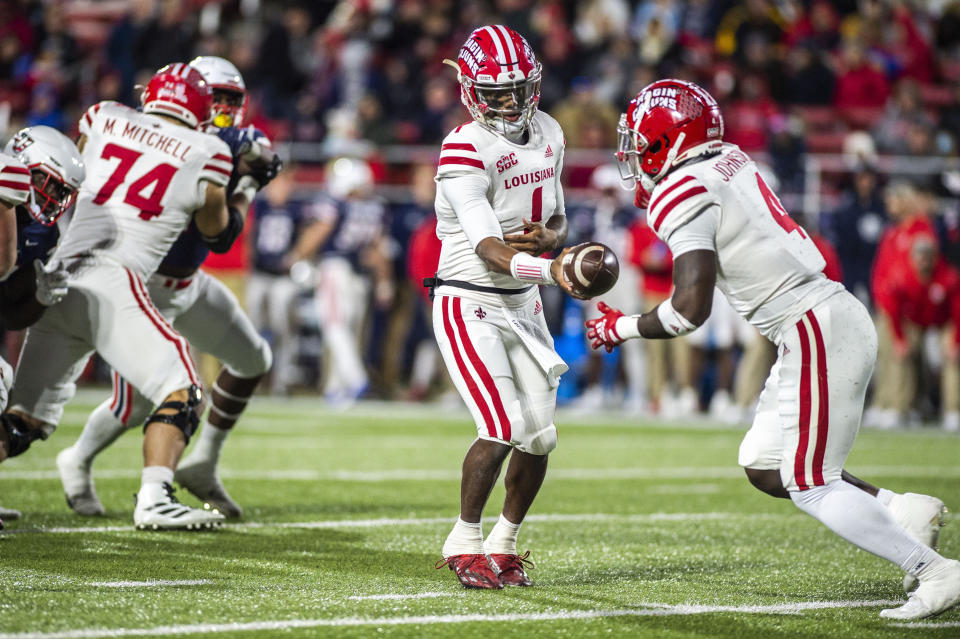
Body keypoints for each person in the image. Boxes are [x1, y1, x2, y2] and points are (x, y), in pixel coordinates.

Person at [587, 79, 960, 620]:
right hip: (819, 316)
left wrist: (621, 327)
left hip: (811, 323)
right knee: (764, 464)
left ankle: (937, 571)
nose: (635, 157)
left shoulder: (680, 190)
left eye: (640, 141)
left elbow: (690, 309)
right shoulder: (728, 158)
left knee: (811, 483)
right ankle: (902, 509)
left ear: (666, 140)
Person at [1, 63, 256, 530]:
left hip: (58, 276)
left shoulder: (102, 116)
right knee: (182, 388)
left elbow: (76, 178)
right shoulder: (210, 151)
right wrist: (248, 187)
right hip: (115, 280)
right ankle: (156, 497)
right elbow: (216, 234)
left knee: (24, 419)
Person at [55, 56, 281, 519]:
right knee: (136, 404)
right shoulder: (196, 146)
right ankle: (77, 458)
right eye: (212, 98)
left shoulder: (217, 145)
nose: (220, 109)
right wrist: (250, 182)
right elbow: (219, 236)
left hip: (187, 282)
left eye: (228, 101)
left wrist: (247, 162)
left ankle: (203, 462)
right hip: (141, 286)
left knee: (253, 358)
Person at [430, 25, 579, 590]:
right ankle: (463, 541)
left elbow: (558, 217)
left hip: (525, 301)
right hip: (469, 299)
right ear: (470, 92)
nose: (511, 102)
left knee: (540, 435)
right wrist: (555, 270)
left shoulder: (549, 130)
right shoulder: (463, 145)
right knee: (501, 422)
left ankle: (504, 543)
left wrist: (552, 241)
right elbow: (488, 249)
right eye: (496, 92)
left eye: (519, 88)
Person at [0, 125, 83, 528]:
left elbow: (11, 315)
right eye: (45, 183)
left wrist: (39, 298)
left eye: (61, 192)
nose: (52, 199)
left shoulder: (43, 230)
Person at [312, 156, 392, 404]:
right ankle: (337, 389)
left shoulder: (337, 204)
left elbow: (320, 231)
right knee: (351, 331)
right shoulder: (376, 206)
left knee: (335, 327)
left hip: (335, 268)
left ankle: (356, 379)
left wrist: (295, 256)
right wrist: (384, 280)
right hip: (360, 276)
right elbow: (379, 248)